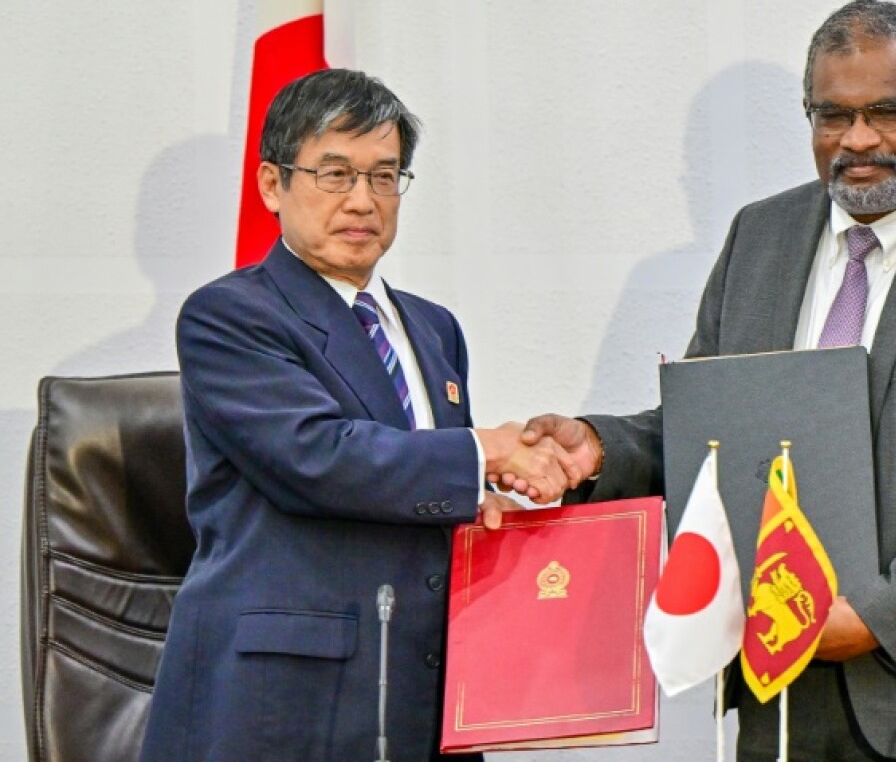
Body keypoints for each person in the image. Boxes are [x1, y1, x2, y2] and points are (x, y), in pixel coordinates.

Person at [500, 0, 896, 761]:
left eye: (887, 111)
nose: (859, 139)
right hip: (783, 697)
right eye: (832, 116)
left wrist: (878, 617)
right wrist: (597, 449)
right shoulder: (759, 238)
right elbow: (711, 425)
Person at [139, 69, 575, 762]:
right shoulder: (229, 315)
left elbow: (419, 482)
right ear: (272, 186)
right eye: (335, 174)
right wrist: (482, 453)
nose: (363, 201)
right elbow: (319, 457)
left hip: (426, 690)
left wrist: (489, 502)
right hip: (286, 702)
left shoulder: (435, 330)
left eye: (384, 176)